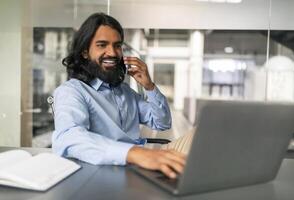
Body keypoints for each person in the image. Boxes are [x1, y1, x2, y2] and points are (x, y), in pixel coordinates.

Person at [52, 12, 193, 179]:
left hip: (136, 164)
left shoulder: (124, 91)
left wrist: (149, 86)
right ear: (84, 52)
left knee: (199, 135)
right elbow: (69, 137)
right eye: (102, 45)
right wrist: (135, 153)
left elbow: (161, 123)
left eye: (117, 45)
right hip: (107, 170)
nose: (112, 52)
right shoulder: (72, 91)